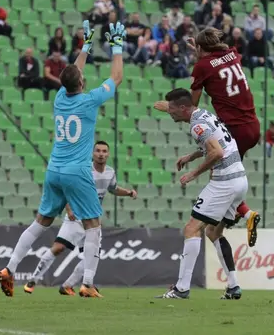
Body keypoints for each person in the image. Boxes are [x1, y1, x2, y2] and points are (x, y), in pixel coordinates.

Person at [0, 20, 125, 298]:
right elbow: (115, 78)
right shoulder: (89, 100)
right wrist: (117, 47)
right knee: (93, 225)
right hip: (77, 171)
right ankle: (87, 284)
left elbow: (72, 72)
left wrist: (86, 47)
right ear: (81, 82)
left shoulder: (59, 97)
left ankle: (9, 268)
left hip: (53, 169)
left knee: (40, 223)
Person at [153, 28, 261, 247]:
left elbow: (192, 107)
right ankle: (231, 218)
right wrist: (201, 54)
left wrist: (169, 108)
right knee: (228, 174)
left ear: (200, 48)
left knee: (220, 177)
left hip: (234, 128)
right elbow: (216, 63)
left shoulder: (202, 66)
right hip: (252, 126)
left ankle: (246, 213)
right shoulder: (232, 53)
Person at [158, 89, 246, 300]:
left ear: (183, 108)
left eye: (172, 110)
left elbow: (217, 152)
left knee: (191, 228)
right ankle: (233, 287)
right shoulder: (205, 115)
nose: (170, 114)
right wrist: (191, 156)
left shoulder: (196, 125)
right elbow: (217, 143)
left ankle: (181, 289)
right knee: (213, 233)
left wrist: (193, 174)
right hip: (240, 179)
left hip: (224, 182)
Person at [23, 141, 137, 295]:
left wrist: (129, 193)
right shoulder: (84, 170)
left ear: (108, 154)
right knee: (58, 248)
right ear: (92, 153)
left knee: (91, 257)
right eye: (98, 151)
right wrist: (69, 208)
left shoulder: (110, 172)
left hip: (93, 221)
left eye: (104, 151)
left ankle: (68, 285)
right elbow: (68, 188)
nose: (101, 154)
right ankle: (33, 280)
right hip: (76, 217)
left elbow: (113, 189)